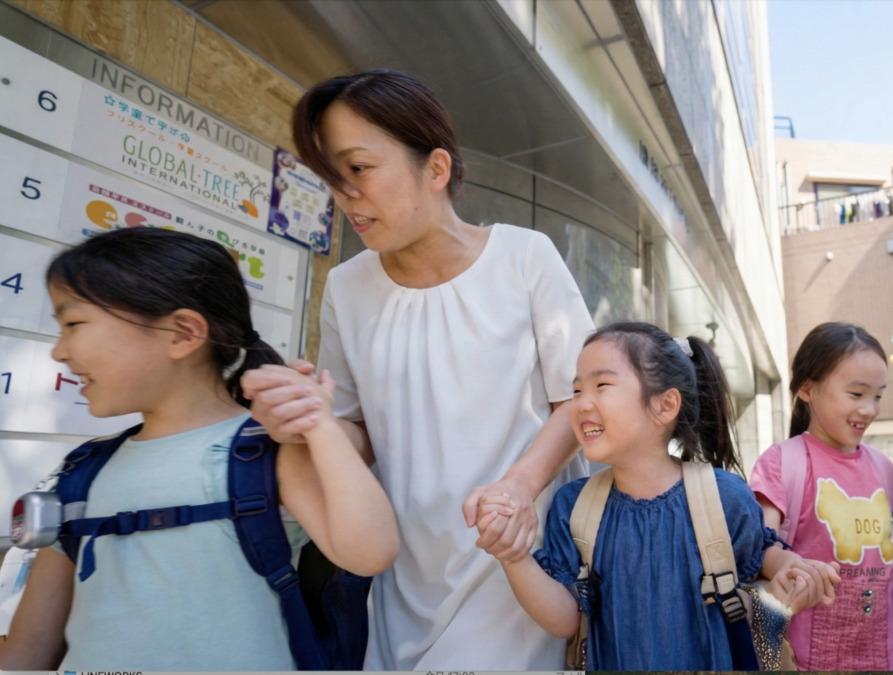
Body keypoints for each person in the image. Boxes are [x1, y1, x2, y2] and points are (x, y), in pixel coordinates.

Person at [243, 69, 595, 670]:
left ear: (435, 169)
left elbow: (580, 401)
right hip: (403, 579)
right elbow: (357, 433)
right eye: (332, 176)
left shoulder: (524, 257)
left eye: (359, 168)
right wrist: (309, 420)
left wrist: (518, 488)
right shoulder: (346, 288)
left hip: (518, 563)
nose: (344, 194)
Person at [0, 227, 398, 670]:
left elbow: (370, 552)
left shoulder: (265, 450)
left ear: (183, 333)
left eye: (74, 324)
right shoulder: (81, 472)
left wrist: (319, 425)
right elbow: (28, 650)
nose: (59, 352)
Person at [476, 321, 840, 670]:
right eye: (577, 390)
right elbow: (566, 620)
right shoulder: (574, 507)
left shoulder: (723, 496)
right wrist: (514, 556)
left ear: (665, 405)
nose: (581, 404)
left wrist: (790, 566)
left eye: (601, 385)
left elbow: (758, 555)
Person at [750, 322, 892, 670]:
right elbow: (759, 547)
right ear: (806, 388)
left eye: (878, 396)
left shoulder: (883, 467)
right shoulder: (782, 462)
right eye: (856, 394)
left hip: (882, 651)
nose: (869, 409)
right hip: (807, 658)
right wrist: (792, 567)